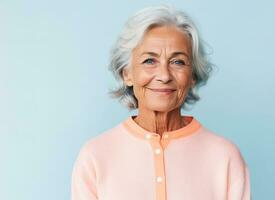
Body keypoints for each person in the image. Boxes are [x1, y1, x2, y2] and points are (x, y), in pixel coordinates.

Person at [71, 5, 251, 200]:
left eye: (178, 62)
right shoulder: (95, 156)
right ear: (127, 74)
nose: (164, 76)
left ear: (192, 76)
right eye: (149, 61)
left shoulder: (225, 157)